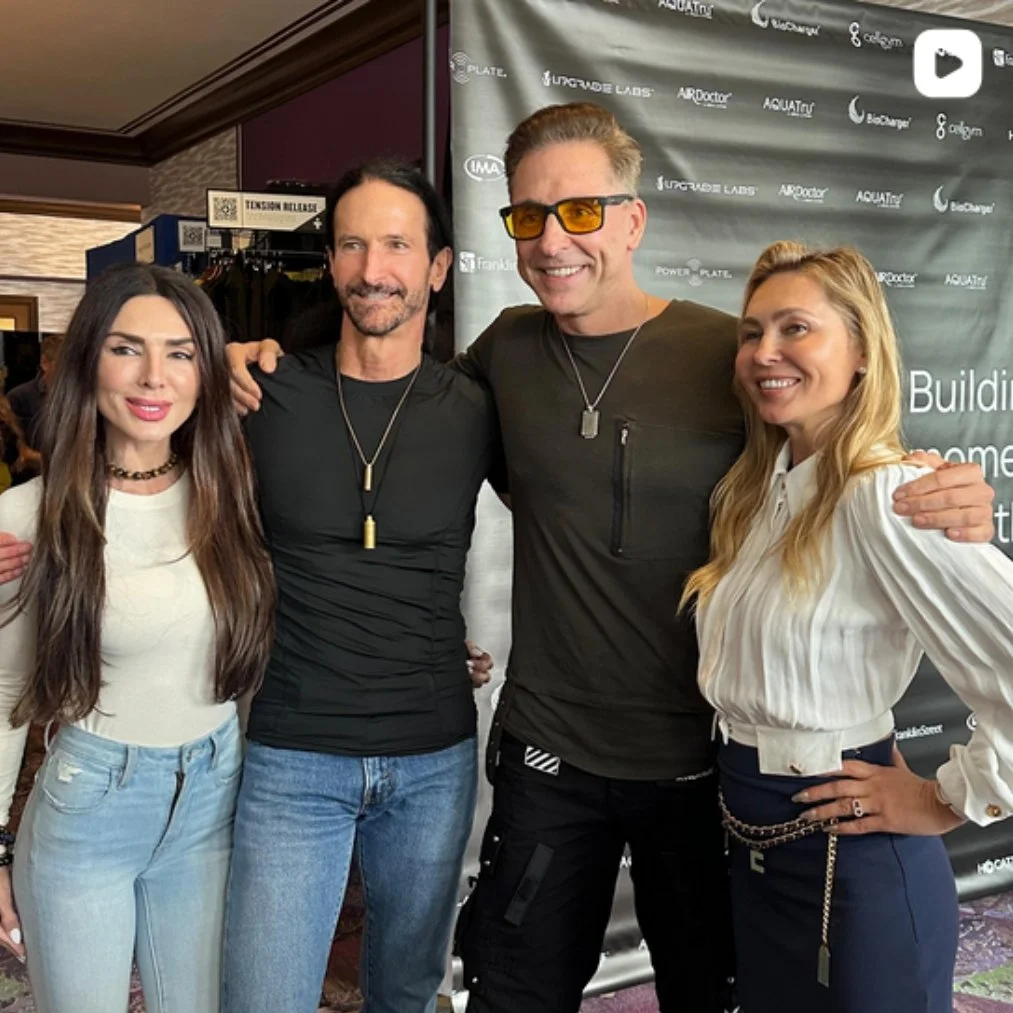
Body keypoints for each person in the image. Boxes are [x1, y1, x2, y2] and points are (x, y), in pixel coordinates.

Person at [224, 103, 996, 1013]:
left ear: (632, 220)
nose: (554, 239)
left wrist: (944, 482)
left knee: (710, 997)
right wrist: (266, 355)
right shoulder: (505, 352)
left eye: (582, 211)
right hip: (547, 762)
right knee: (511, 995)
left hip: (702, 773)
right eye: (528, 217)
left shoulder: (731, 355)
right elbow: (391, 382)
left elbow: (830, 448)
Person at [682, 240, 1013, 1012]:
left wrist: (941, 800)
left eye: (796, 328)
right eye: (752, 331)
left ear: (861, 351)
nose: (765, 351)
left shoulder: (886, 494)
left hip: (855, 869)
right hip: (756, 849)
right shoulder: (757, 490)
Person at [219, 158, 501, 1013]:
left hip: (433, 755)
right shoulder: (261, 391)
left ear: (438, 268)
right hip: (290, 751)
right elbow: (133, 446)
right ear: (331, 262)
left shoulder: (478, 408)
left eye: (395, 244)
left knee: (408, 996)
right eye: (351, 244)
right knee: (262, 997)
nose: (373, 268)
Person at [0, 264, 275, 1013]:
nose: (155, 376)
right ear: (87, 360)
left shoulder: (234, 493)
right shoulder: (33, 515)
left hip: (216, 796)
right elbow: (1, 696)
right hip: (90, 807)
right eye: (127, 349)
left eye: (181, 353)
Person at [7, 333, 63, 452]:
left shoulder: (80, 398)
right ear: (45, 363)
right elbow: (14, 450)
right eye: (63, 364)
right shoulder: (18, 397)